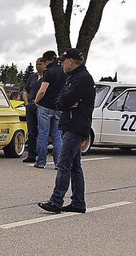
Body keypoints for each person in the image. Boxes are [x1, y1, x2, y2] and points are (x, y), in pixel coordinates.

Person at [38, 48, 95, 214]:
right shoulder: (73, 77)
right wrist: (65, 101)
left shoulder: (82, 79)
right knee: (75, 165)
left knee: (64, 163)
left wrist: (66, 101)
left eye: (63, 61)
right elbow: (61, 100)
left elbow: (66, 99)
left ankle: (56, 201)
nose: (61, 64)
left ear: (71, 61)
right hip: (71, 123)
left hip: (75, 125)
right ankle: (78, 202)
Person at [33, 50, 65, 169]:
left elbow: (42, 90)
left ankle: (41, 161)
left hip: (46, 106)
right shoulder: (64, 71)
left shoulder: (49, 72)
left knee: (43, 134)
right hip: (59, 107)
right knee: (57, 136)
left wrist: (37, 101)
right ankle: (58, 163)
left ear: (48, 60)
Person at [22, 57, 45, 163]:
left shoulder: (47, 77)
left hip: (42, 106)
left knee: (43, 131)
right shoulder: (32, 77)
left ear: (45, 64)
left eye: (40, 64)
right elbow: (25, 91)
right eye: (37, 64)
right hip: (30, 106)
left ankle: (41, 154)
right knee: (31, 131)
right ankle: (31, 154)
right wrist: (26, 103)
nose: (38, 66)